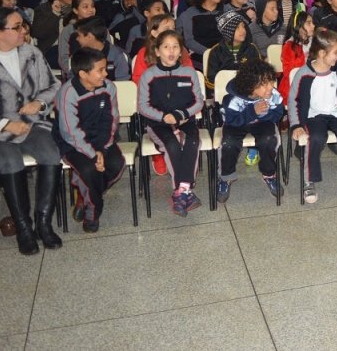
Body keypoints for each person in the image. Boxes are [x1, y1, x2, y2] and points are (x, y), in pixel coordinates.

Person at [0, 8, 62, 254]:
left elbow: (54, 86)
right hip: (2, 132)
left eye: (23, 25)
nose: (23, 31)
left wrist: (40, 103)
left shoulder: (32, 53)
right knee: (10, 161)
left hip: (33, 123)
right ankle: (24, 228)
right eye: (16, 27)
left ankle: (43, 223)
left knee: (51, 153)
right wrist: (4, 124)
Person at [55, 48, 124, 233]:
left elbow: (111, 120)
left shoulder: (108, 87)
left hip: (101, 140)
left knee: (118, 164)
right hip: (72, 144)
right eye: (100, 70)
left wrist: (102, 148)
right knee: (89, 170)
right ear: (83, 74)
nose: (106, 73)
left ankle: (83, 197)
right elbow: (71, 132)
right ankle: (92, 214)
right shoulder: (67, 93)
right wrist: (94, 154)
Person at [289, 30, 337, 202]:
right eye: (336, 52)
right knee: (314, 138)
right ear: (322, 53)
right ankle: (309, 181)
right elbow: (293, 100)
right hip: (314, 115)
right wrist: (296, 125)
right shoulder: (304, 74)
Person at [137, 30, 204, 217]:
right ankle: (184, 191)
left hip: (184, 119)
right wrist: (163, 117)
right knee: (173, 145)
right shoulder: (149, 76)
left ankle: (181, 191)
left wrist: (181, 114)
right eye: (166, 47)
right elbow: (143, 106)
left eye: (175, 46)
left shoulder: (189, 73)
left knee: (192, 142)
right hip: (158, 123)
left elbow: (199, 101)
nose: (171, 51)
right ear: (157, 51)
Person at [216, 58, 284, 202]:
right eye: (264, 85)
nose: (270, 87)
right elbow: (232, 120)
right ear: (250, 86)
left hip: (262, 122)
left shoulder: (273, 95)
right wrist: (252, 112)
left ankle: (269, 174)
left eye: (271, 81)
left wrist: (265, 114)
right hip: (237, 123)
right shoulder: (234, 99)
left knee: (269, 139)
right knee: (229, 142)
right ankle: (226, 177)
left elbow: (278, 113)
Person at [177, 0, 223, 68]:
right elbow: (189, 40)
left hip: (224, 56)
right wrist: (209, 53)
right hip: (199, 58)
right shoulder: (190, 13)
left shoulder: (226, 10)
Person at [278, 11, 314, 102]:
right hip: (293, 86)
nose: (313, 26)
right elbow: (288, 72)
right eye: (309, 23)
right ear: (298, 27)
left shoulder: (314, 42)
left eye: (312, 23)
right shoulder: (290, 46)